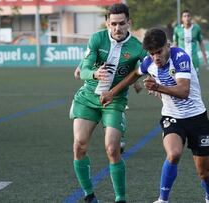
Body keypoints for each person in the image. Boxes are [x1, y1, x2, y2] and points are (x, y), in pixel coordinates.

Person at [100, 28, 209, 203]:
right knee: (174, 153)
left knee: (204, 173)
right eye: (152, 53)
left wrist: (157, 87)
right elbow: (134, 75)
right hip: (172, 117)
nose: (156, 57)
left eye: (159, 52)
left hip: (197, 118)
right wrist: (112, 92)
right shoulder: (149, 62)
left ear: (168, 46)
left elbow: (184, 90)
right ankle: (163, 199)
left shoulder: (180, 58)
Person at [68, 3, 147, 203]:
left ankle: (120, 198)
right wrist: (94, 73)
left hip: (115, 100)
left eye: (121, 24)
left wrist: (150, 80)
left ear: (129, 23)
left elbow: (149, 66)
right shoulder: (97, 39)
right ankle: (89, 195)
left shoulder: (137, 47)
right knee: (79, 145)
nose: (117, 28)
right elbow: (84, 69)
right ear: (107, 23)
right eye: (113, 24)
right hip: (87, 98)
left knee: (112, 149)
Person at [173, 9, 208, 74]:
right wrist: (173, 57)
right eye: (184, 16)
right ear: (182, 18)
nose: (187, 18)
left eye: (188, 16)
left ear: (190, 17)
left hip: (194, 58)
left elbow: (201, 42)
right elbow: (175, 43)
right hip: (182, 58)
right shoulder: (177, 29)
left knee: (195, 78)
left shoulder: (196, 28)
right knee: (183, 79)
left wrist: (204, 55)